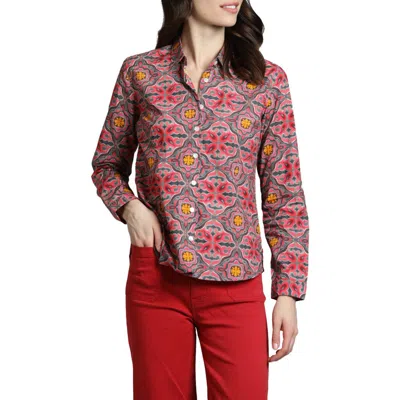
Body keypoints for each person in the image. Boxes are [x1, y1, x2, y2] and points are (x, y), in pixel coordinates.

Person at [91, 0, 309, 398]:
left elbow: (284, 193)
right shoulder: (140, 73)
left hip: (236, 281)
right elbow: (106, 165)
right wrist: (130, 207)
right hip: (156, 276)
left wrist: (288, 292)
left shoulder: (267, 81)